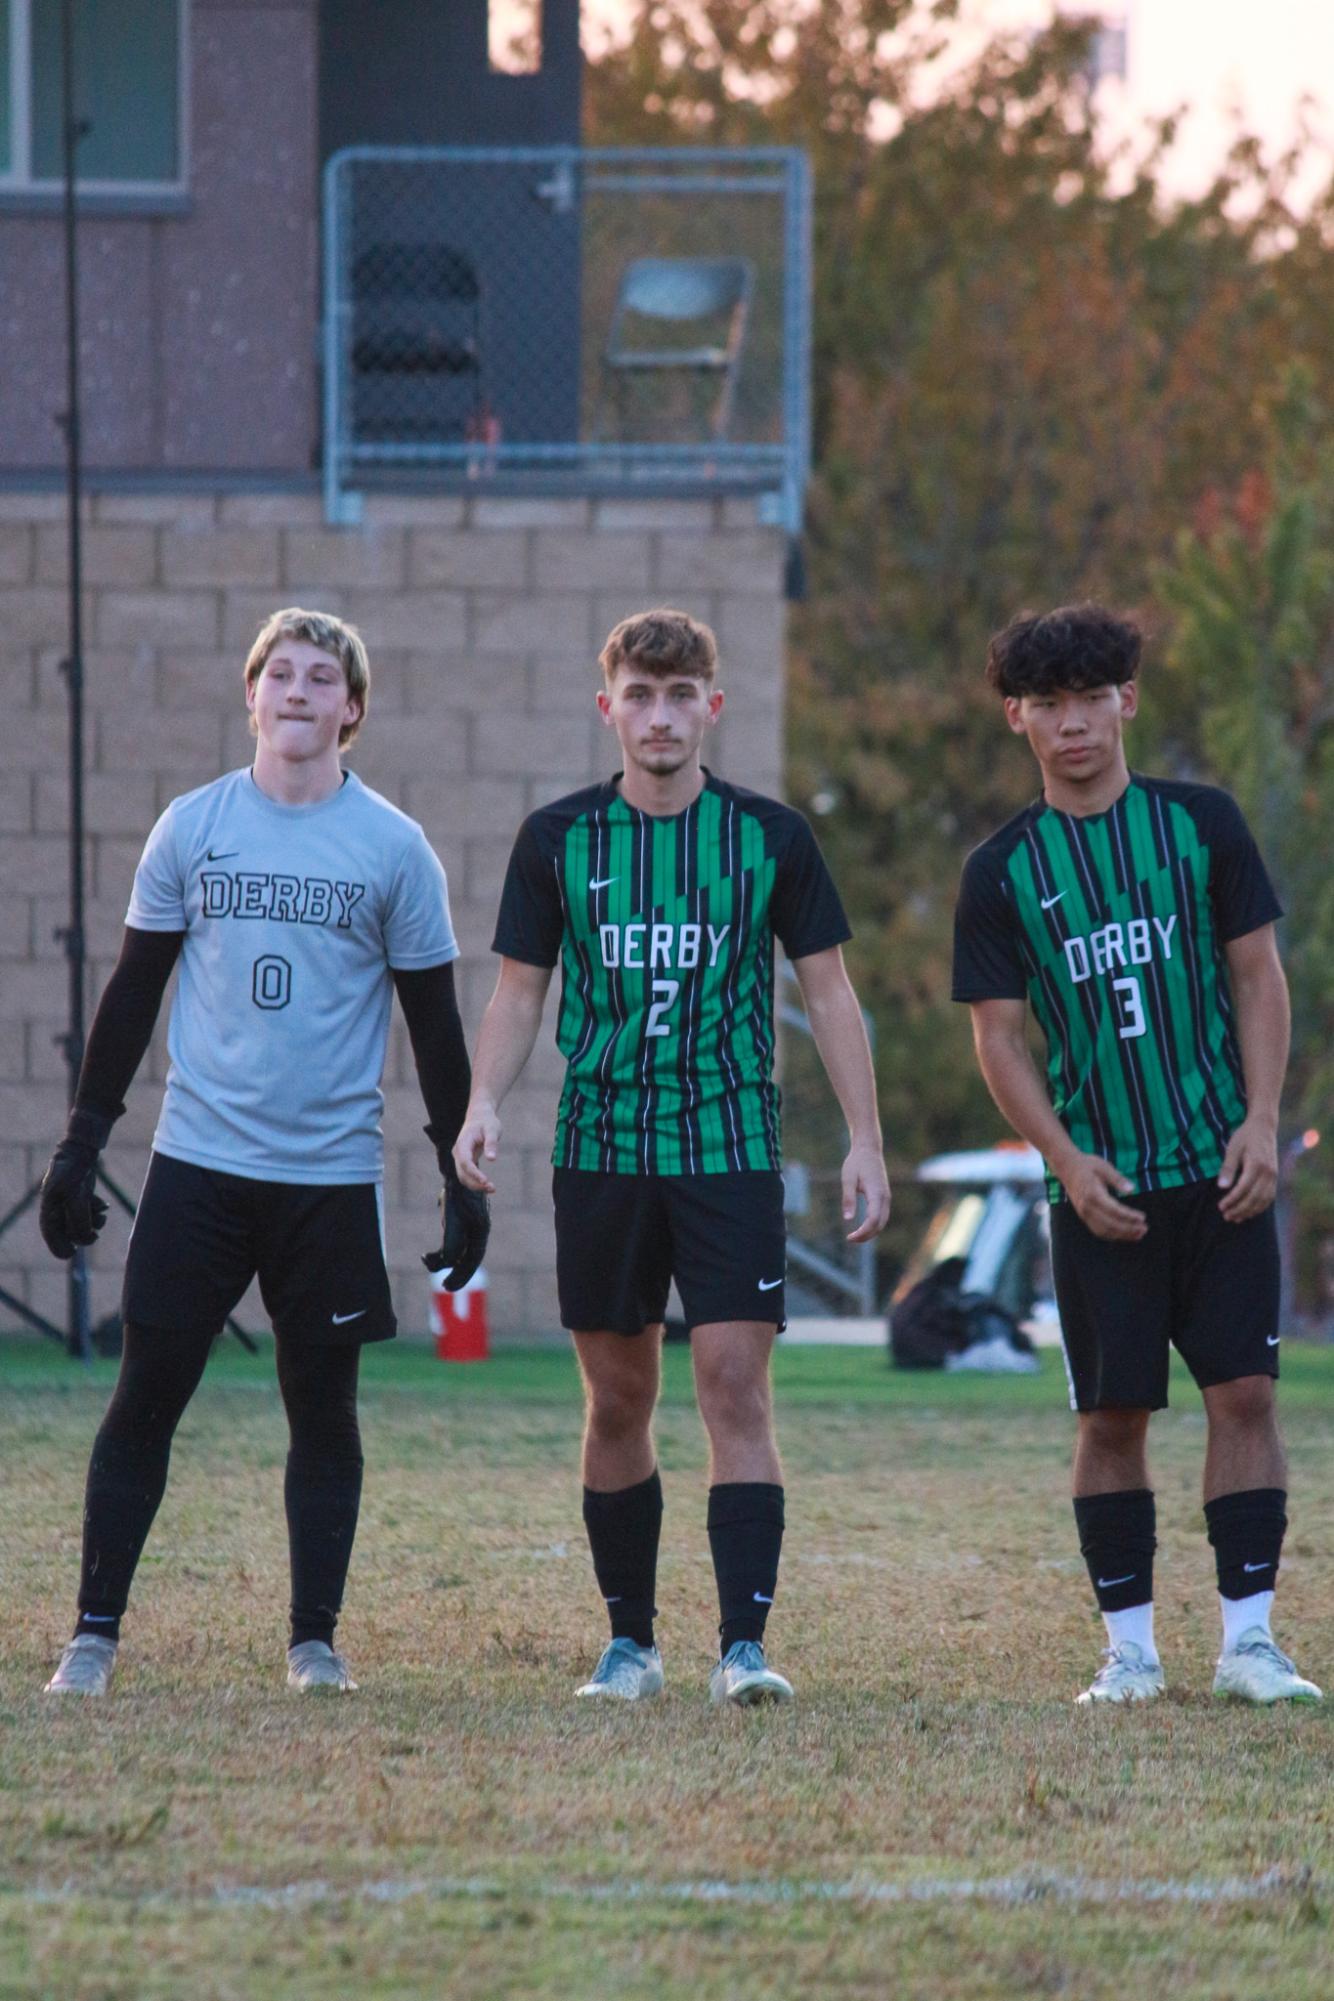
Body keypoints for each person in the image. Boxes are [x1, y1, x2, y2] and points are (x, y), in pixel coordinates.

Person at [39, 607, 487, 1697]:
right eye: (278, 672)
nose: (297, 689)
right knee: (147, 1394)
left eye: (321, 676)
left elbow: (433, 1024)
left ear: (353, 709)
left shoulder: (393, 848)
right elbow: (134, 992)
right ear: (250, 696)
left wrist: (457, 1174)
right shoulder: (191, 829)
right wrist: (79, 1141)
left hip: (328, 1180)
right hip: (199, 1168)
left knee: (321, 1409)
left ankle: (313, 1644)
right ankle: (92, 1640)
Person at [453, 608, 890, 1706]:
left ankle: (742, 1649)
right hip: (602, 1146)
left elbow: (828, 992)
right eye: (638, 696)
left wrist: (865, 1139)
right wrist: (479, 1104)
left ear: (711, 707)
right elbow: (517, 991)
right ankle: (629, 1645)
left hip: (727, 1143)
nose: (659, 715)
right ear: (608, 708)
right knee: (617, 1400)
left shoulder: (770, 838)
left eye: (679, 693)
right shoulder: (557, 840)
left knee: (734, 1385)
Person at [953, 602, 1320, 1706]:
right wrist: (1062, 1161)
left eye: (1089, 698)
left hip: (1220, 1174)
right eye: (1046, 705)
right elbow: (997, 1040)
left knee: (1243, 1395)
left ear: (1125, 699)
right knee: (1110, 1418)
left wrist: (1259, 1121)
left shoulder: (1198, 825)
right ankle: (1129, 1654)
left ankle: (1248, 1644)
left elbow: (1257, 975)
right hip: (1100, 1188)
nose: (1072, 724)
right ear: (1016, 717)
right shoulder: (1000, 870)